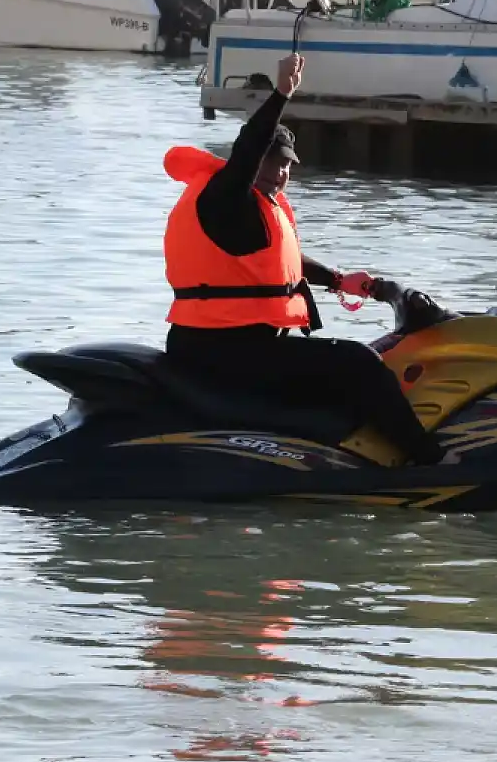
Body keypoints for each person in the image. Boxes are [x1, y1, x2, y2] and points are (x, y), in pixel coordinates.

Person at [162, 53, 445, 465]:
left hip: (236, 347)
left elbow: (282, 265)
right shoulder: (225, 197)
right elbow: (247, 150)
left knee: (348, 366)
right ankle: (428, 463)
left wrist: (338, 279)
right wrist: (281, 94)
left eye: (285, 165)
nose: (278, 172)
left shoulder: (253, 211)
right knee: (360, 363)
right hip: (218, 352)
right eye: (269, 162)